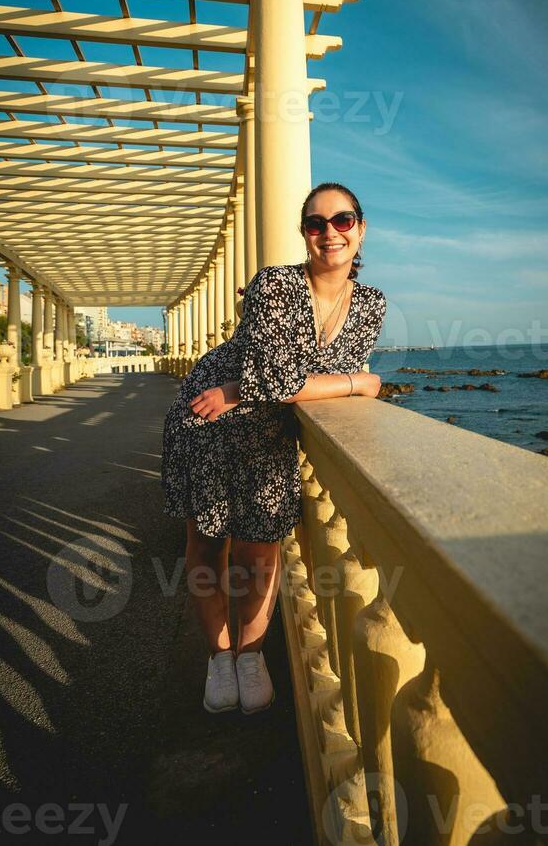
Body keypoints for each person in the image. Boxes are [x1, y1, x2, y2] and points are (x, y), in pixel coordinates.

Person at [161, 181, 387, 715]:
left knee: (260, 552)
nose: (329, 233)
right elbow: (279, 378)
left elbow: (291, 381)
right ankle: (218, 658)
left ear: (361, 228)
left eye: (342, 220)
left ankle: (250, 656)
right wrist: (359, 382)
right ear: (304, 233)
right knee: (209, 547)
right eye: (316, 223)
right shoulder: (275, 285)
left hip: (268, 435)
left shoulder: (371, 303)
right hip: (209, 420)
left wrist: (287, 384)